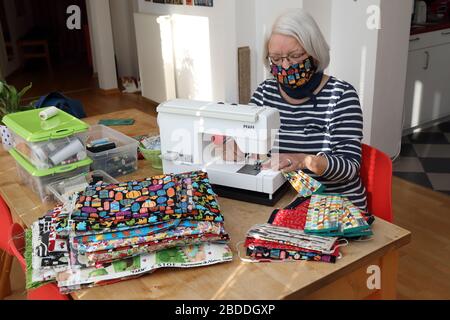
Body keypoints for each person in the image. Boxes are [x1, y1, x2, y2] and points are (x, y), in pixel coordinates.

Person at [250, 9, 368, 213]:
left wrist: (303, 160)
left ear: (315, 52)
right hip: (282, 201)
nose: (285, 66)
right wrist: (233, 144)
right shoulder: (264, 93)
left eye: (295, 56)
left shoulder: (341, 96)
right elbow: (248, 144)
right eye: (276, 59)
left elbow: (349, 167)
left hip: (336, 207)